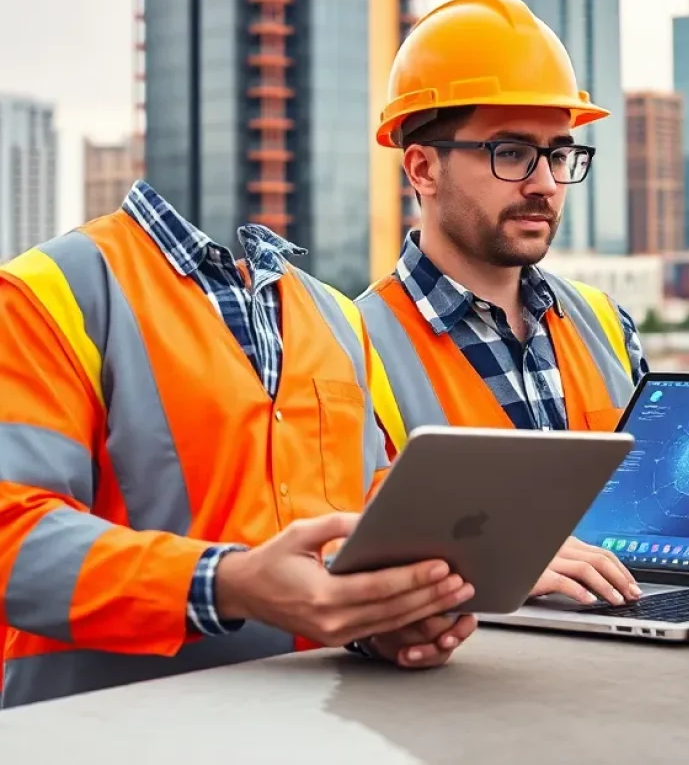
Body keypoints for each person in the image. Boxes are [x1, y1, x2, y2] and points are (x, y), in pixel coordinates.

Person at [0, 182, 477, 709]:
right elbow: (13, 534)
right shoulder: (48, 291)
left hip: (317, 722)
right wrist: (226, 583)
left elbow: (368, 511)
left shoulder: (340, 318)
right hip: (103, 728)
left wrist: (382, 617)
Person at [357, 0, 648, 608]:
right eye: (511, 152)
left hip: (626, 655)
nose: (545, 183)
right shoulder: (349, 349)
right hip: (456, 685)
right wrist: (490, 562)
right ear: (422, 170)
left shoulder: (605, 324)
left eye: (560, 152)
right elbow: (338, 555)